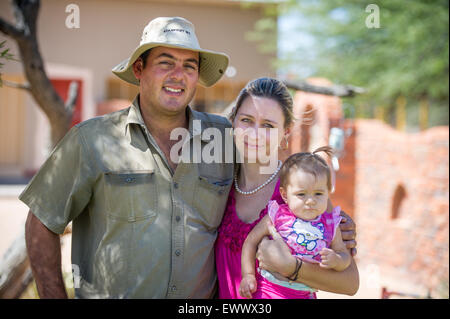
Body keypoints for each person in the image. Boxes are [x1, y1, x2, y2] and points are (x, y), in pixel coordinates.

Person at [20, 16, 234, 298]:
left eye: (189, 66)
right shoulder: (92, 140)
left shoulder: (225, 140)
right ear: (138, 69)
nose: (178, 75)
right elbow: (41, 221)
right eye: (165, 63)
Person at [215, 77, 359, 299]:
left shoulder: (302, 192)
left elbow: (350, 284)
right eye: (246, 120)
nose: (254, 133)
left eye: (268, 125)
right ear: (233, 121)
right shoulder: (218, 184)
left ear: (287, 131)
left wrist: (292, 267)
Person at [239, 146, 353, 299]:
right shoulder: (277, 216)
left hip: (305, 294)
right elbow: (250, 242)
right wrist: (248, 275)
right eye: (301, 194)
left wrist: (337, 261)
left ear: (327, 193)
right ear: (285, 195)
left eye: (318, 193)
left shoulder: (331, 225)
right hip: (269, 290)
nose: (311, 201)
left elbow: (344, 255)